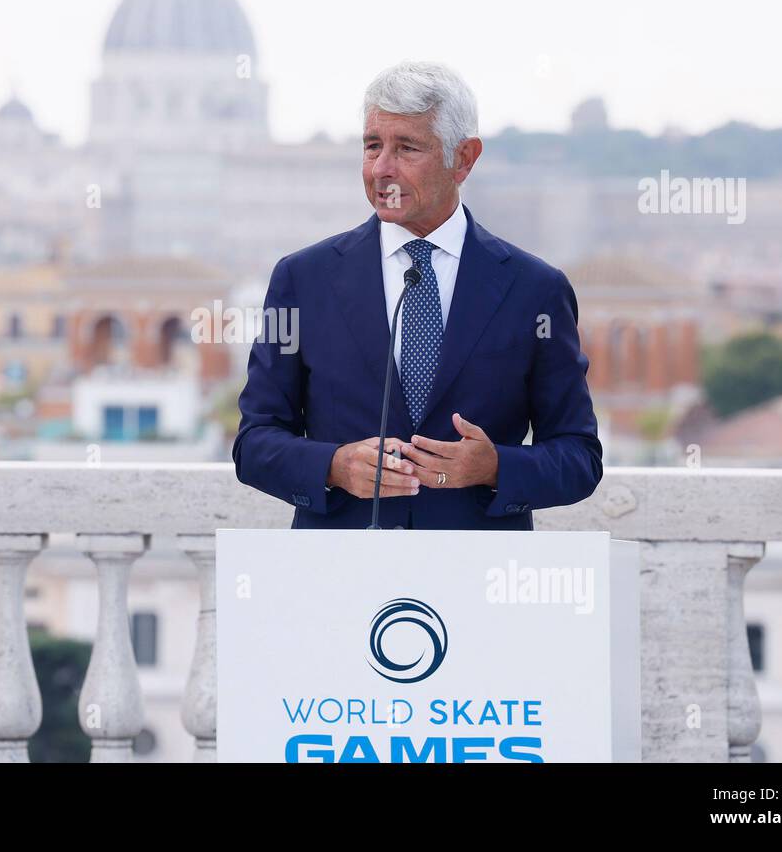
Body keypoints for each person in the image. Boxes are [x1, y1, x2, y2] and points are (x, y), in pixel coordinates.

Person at [232, 60, 602, 529]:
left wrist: (494, 468)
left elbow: (579, 456)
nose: (382, 169)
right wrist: (334, 466)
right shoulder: (301, 280)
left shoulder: (536, 291)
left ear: (464, 159)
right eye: (372, 147)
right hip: (339, 582)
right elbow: (254, 443)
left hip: (481, 582)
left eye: (406, 148)